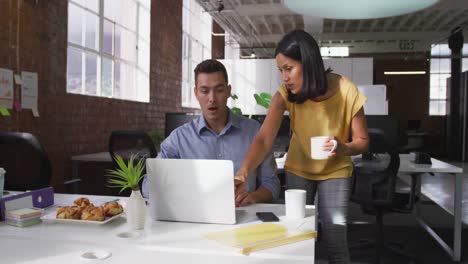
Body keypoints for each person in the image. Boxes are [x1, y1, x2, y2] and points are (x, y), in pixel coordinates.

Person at [234, 30, 369, 263]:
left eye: (289, 68)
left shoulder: (347, 90)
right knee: (296, 235)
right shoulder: (285, 94)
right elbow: (264, 139)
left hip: (336, 170)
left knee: (335, 236)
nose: (284, 77)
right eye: (281, 71)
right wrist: (243, 173)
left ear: (308, 63)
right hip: (298, 167)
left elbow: (363, 141)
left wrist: (344, 148)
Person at [142, 59, 280, 206]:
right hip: (195, 217)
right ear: (196, 93)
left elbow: (272, 184)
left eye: (219, 90)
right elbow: (149, 185)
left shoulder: (254, 132)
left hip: (243, 216)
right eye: (204, 91)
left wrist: (253, 197)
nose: (212, 99)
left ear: (228, 91)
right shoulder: (179, 139)